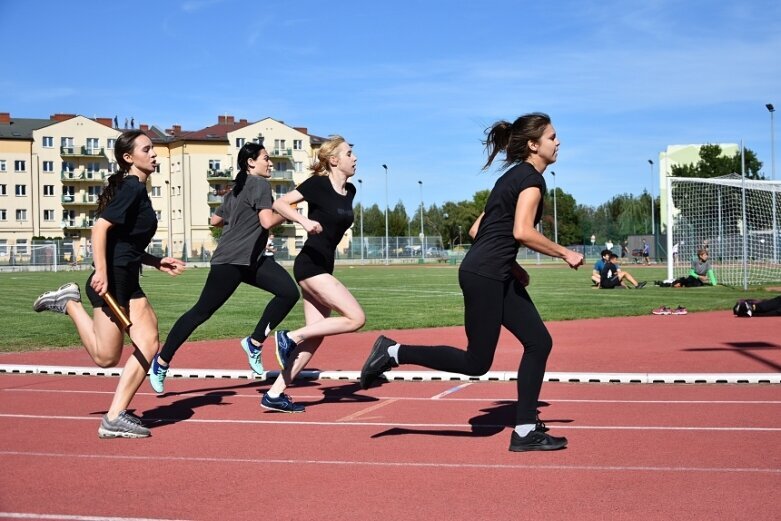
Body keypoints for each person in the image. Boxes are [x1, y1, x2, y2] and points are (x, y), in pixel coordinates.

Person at [360, 113, 584, 452]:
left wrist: (511, 265)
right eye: (553, 137)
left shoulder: (511, 178)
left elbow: (477, 230)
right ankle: (392, 352)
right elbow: (522, 231)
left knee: (538, 341)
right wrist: (565, 252)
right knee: (476, 363)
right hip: (486, 275)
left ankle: (524, 430)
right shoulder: (532, 182)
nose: (559, 142)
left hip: (493, 271)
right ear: (533, 145)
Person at [32, 130, 185, 438]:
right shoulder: (131, 187)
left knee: (149, 343)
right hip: (112, 279)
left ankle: (114, 416)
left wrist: (155, 261)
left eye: (153, 148)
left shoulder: (137, 189)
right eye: (147, 149)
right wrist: (101, 272)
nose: (154, 154)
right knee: (106, 358)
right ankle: (70, 303)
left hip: (127, 276)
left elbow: (124, 242)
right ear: (129, 158)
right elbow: (100, 229)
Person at [148, 143, 299, 393]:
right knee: (201, 312)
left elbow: (215, 221)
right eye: (266, 159)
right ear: (251, 162)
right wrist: (287, 209)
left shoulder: (235, 191)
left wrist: (239, 217)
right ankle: (161, 362)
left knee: (288, 292)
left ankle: (254, 342)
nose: (270, 163)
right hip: (231, 261)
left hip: (252, 260)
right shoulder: (259, 185)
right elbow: (266, 220)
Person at [266, 135, 364, 413]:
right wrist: (304, 220)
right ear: (334, 160)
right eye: (349, 154)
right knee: (356, 318)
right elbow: (281, 204)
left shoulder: (351, 191)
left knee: (316, 336)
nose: (354, 158)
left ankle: (275, 393)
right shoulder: (317, 185)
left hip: (324, 264)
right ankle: (290, 336)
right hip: (309, 265)